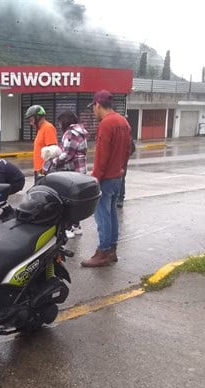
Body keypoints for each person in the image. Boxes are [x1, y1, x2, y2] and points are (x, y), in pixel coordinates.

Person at [81, 90, 132, 268]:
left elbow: (102, 155)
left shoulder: (106, 124)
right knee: (111, 215)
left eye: (93, 107)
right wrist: (121, 170)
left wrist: (95, 177)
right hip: (118, 176)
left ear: (97, 105)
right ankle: (112, 250)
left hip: (106, 178)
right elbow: (128, 150)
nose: (93, 111)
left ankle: (103, 252)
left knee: (102, 216)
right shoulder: (123, 122)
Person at [54, 111, 89, 238]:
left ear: (65, 121)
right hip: (80, 171)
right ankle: (76, 226)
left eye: (59, 122)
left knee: (67, 200)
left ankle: (68, 228)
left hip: (72, 172)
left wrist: (54, 161)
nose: (58, 125)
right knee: (76, 200)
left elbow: (67, 154)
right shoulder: (80, 131)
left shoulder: (70, 133)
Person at [24, 104, 57, 183]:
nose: (31, 123)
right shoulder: (40, 129)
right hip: (38, 169)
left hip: (43, 170)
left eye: (31, 120)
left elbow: (52, 152)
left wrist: (44, 170)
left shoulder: (48, 128)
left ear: (38, 117)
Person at [117, 137, 136, 209]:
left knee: (121, 179)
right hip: (121, 162)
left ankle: (119, 198)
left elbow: (132, 148)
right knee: (121, 179)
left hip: (120, 162)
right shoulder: (126, 134)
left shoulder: (126, 136)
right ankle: (119, 198)